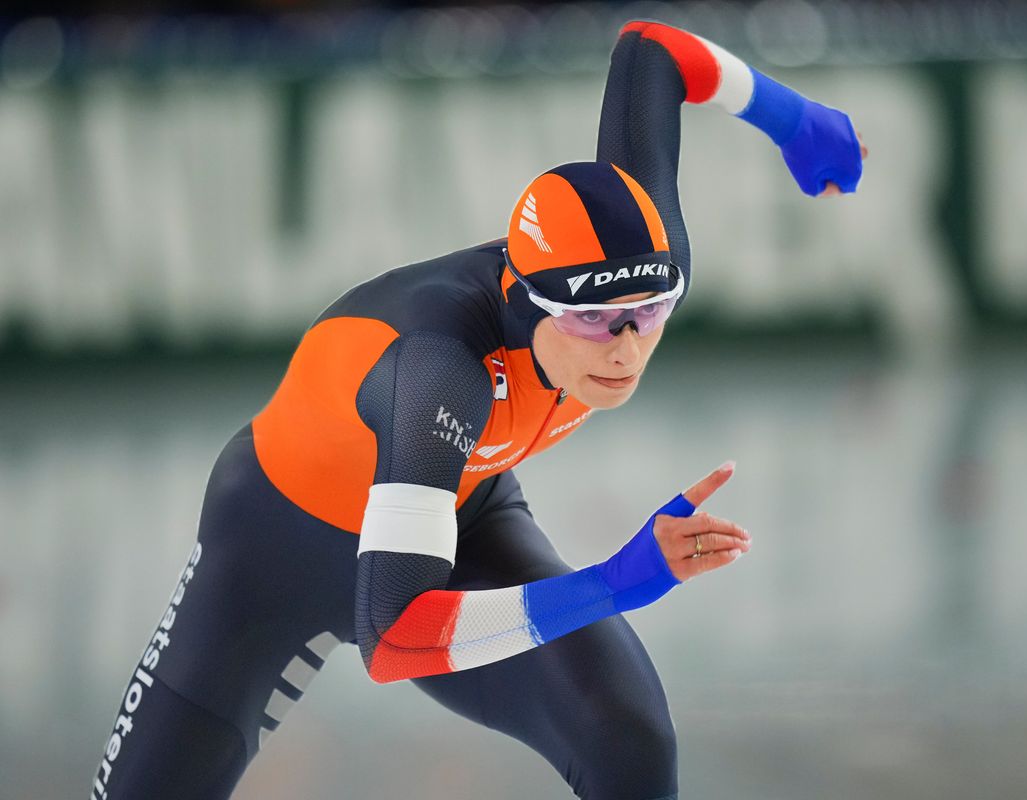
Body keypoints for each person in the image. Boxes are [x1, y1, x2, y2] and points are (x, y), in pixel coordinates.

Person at [92, 20, 864, 800]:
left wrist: (794, 119)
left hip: (461, 510)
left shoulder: (645, 255)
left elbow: (652, 52)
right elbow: (394, 639)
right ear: (527, 302)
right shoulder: (442, 368)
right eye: (593, 321)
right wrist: (610, 584)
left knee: (627, 737)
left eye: (651, 312)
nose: (627, 347)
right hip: (273, 548)